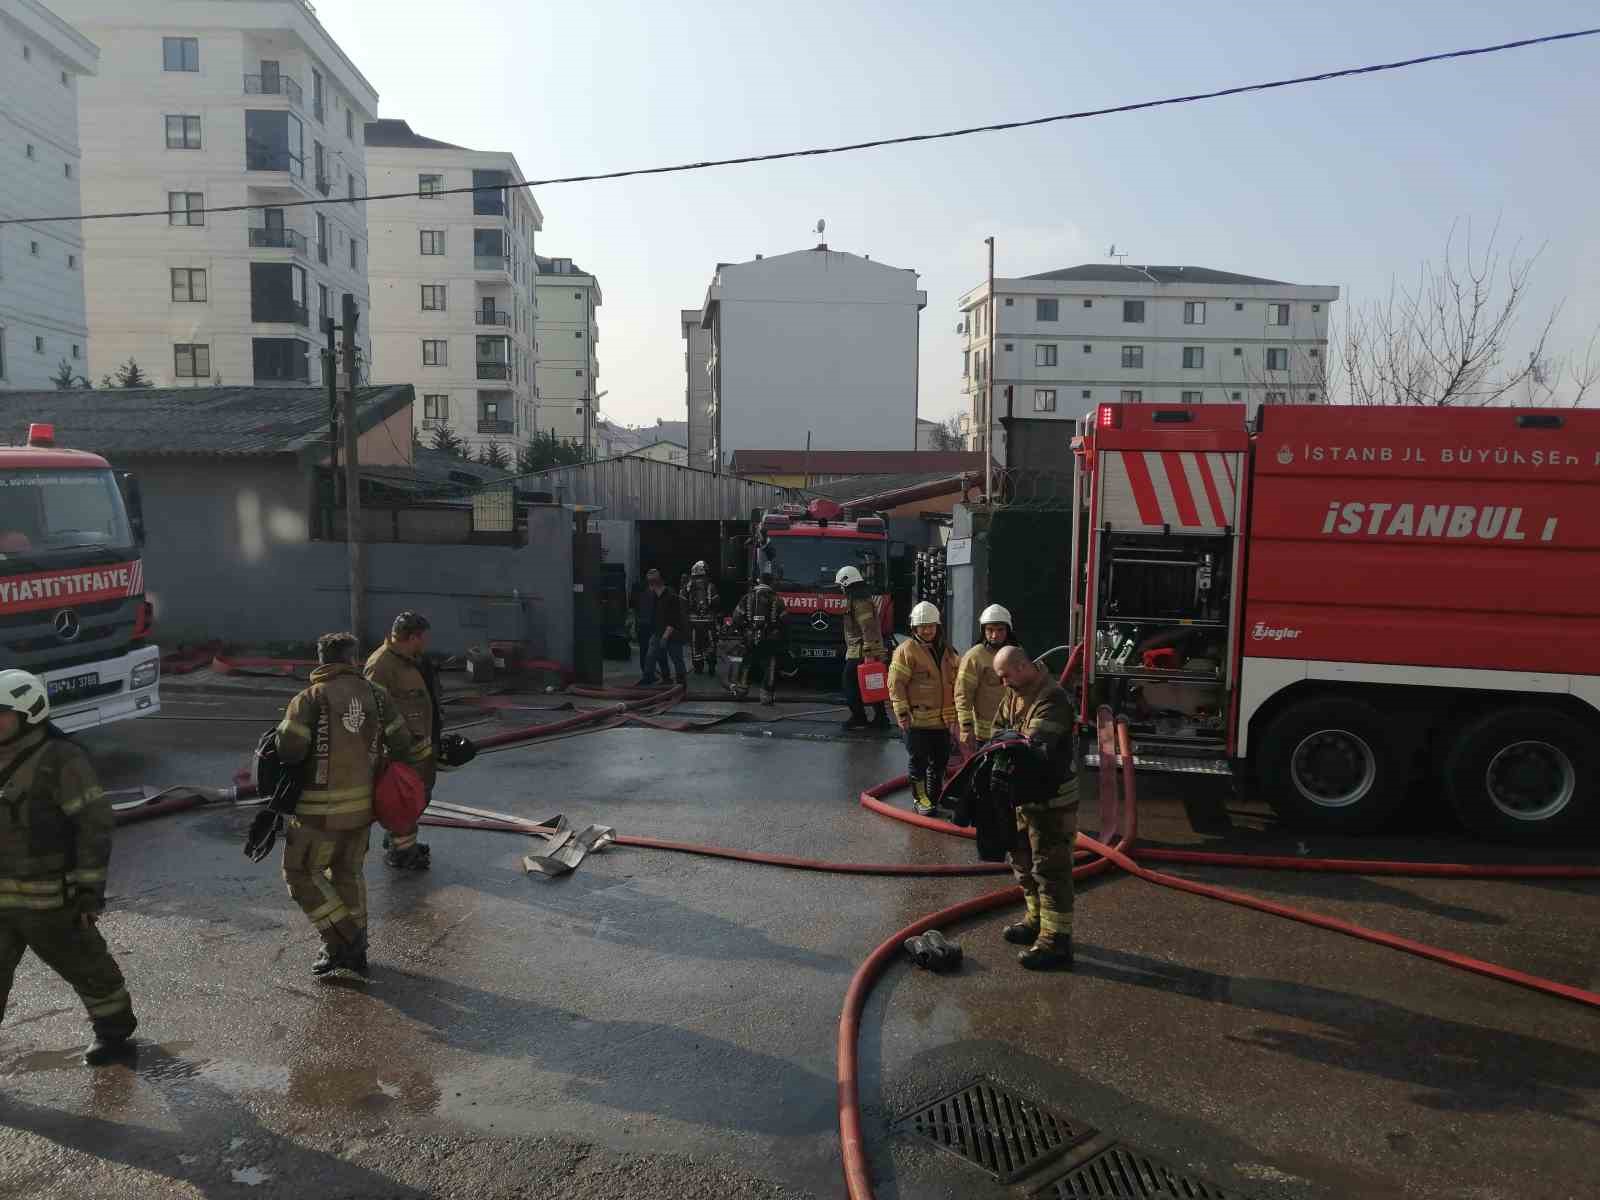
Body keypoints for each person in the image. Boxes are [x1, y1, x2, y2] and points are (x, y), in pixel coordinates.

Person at [0, 670, 137, 1066]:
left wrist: (89, 891)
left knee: (88, 968)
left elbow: (94, 825)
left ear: (29, 713)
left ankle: (113, 1033)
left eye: (1, 714)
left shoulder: (61, 759)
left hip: (51, 902)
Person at [275, 632, 416, 977]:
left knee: (301, 873)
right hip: (363, 811)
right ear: (354, 660)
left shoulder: (309, 699)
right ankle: (355, 952)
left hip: (317, 815)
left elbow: (290, 750)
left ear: (321, 660)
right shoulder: (378, 696)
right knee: (348, 873)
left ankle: (345, 939)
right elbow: (402, 743)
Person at [992, 645, 1079, 971]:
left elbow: (1032, 748)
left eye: (1005, 676)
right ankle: (1037, 920)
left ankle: (1056, 941)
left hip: (1052, 802)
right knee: (1022, 862)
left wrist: (1009, 743)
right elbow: (998, 733)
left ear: (1022, 667)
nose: (1003, 683)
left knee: (1051, 870)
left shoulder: (1053, 699)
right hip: (1023, 798)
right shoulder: (1014, 694)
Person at [364, 611, 443, 870]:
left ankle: (401, 843)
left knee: (418, 797)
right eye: (423, 638)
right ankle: (401, 852)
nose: (426, 642)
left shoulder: (414, 661)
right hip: (400, 752)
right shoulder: (381, 666)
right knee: (403, 801)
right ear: (413, 638)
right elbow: (372, 712)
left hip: (421, 748)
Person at [888, 601, 959, 816]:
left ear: (938, 626)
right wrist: (902, 712)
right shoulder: (906, 651)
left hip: (942, 721)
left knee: (940, 762)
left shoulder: (948, 651)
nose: (927, 631)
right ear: (914, 628)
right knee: (918, 762)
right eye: (922, 626)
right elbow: (896, 684)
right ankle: (920, 799)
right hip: (916, 721)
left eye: (931, 626)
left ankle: (935, 797)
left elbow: (958, 681)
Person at [956, 603, 1022, 753]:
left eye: (1000, 630)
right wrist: (966, 728)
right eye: (990, 630)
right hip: (985, 736)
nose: (994, 635)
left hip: (1014, 733)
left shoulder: (1017, 653)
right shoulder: (974, 657)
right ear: (983, 631)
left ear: (1008, 630)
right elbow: (963, 694)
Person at [836, 565, 888, 731]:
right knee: (871, 684)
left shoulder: (860, 603)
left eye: (841, 585)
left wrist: (869, 654)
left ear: (847, 583)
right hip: (860, 650)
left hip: (861, 651)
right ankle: (881, 718)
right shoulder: (858, 600)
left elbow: (868, 629)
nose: (840, 588)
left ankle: (860, 717)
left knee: (850, 684)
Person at [731, 570, 788, 704]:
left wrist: (744, 631)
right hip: (770, 641)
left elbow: (736, 618)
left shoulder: (747, 597)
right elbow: (785, 622)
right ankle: (766, 697)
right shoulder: (777, 600)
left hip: (750, 638)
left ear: (759, 581)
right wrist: (782, 638)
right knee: (770, 666)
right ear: (771, 583)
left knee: (747, 664)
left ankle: (741, 692)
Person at [638, 569, 687, 686]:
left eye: (650, 584)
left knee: (677, 658)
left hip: (673, 634)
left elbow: (674, 620)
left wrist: (665, 636)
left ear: (654, 584)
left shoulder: (671, 596)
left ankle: (681, 683)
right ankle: (650, 678)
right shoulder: (655, 597)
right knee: (652, 656)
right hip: (658, 632)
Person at [684, 561, 721, 676]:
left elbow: (682, 604)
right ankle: (711, 666)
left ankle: (698, 668)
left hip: (693, 622)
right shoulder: (711, 586)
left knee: (695, 645)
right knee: (711, 643)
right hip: (709, 622)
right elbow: (716, 603)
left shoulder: (688, 586)